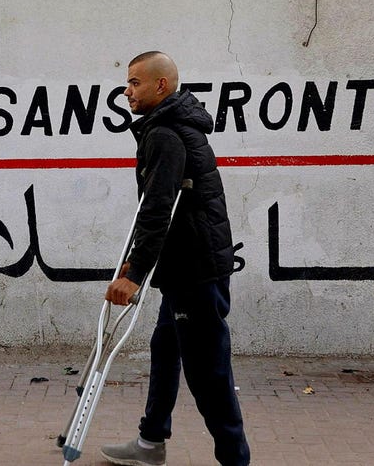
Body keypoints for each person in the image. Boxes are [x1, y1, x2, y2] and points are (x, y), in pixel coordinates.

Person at [101, 51, 250, 466]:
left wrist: (135, 275)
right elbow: (167, 208)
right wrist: (139, 261)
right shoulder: (174, 126)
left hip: (195, 269)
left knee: (208, 371)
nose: (127, 91)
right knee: (165, 349)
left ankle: (236, 460)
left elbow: (158, 207)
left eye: (134, 83)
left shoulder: (164, 134)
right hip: (190, 262)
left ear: (161, 85)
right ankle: (150, 443)